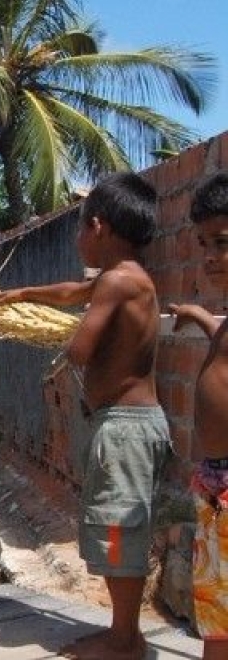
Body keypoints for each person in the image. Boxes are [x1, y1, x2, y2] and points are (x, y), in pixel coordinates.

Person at [0, 172, 170, 660]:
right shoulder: (128, 277)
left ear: (98, 227)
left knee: (118, 529)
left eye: (78, 230)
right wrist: (25, 295)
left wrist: (50, 343)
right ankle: (123, 633)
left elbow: (82, 346)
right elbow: (75, 292)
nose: (76, 241)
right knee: (116, 525)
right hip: (125, 427)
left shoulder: (117, 281)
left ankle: (123, 639)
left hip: (125, 430)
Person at [168, 171, 228, 660]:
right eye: (205, 243)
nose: (210, 257)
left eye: (223, 243)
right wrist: (203, 319)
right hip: (214, 486)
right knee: (215, 612)